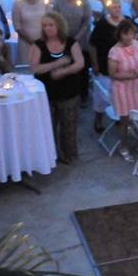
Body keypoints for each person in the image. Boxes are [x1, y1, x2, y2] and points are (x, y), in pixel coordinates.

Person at [31, 12, 85, 164]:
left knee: (69, 126)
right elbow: (35, 68)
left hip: (69, 92)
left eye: (50, 24)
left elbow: (80, 63)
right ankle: (50, 156)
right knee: (48, 126)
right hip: (47, 93)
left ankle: (69, 155)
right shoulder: (38, 45)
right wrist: (57, 64)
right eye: (44, 25)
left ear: (59, 25)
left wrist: (64, 71)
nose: (47, 28)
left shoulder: (71, 42)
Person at [107, 19, 138, 161]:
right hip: (122, 88)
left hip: (135, 85)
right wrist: (131, 75)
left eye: (132, 33)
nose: (129, 37)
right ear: (120, 34)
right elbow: (112, 74)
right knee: (125, 119)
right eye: (126, 34)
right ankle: (123, 146)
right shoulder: (115, 52)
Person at [89, 0, 130, 132]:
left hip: (123, 66)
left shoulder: (127, 21)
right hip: (104, 65)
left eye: (119, 7)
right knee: (102, 95)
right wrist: (94, 64)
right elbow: (92, 45)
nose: (117, 9)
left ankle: (120, 115)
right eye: (114, 7)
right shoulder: (102, 24)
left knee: (122, 93)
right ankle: (98, 118)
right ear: (108, 8)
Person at [52, 0, 92, 100]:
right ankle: (66, 94)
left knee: (82, 69)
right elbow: (55, 20)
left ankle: (83, 95)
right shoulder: (59, 2)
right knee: (65, 66)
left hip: (81, 40)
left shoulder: (84, 2)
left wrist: (77, 38)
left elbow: (87, 22)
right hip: (63, 40)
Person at [13, 0, 48, 64]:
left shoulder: (44, 1)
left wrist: (44, 39)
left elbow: (50, 19)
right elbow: (17, 26)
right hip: (25, 43)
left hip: (43, 42)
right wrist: (32, 42)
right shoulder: (18, 3)